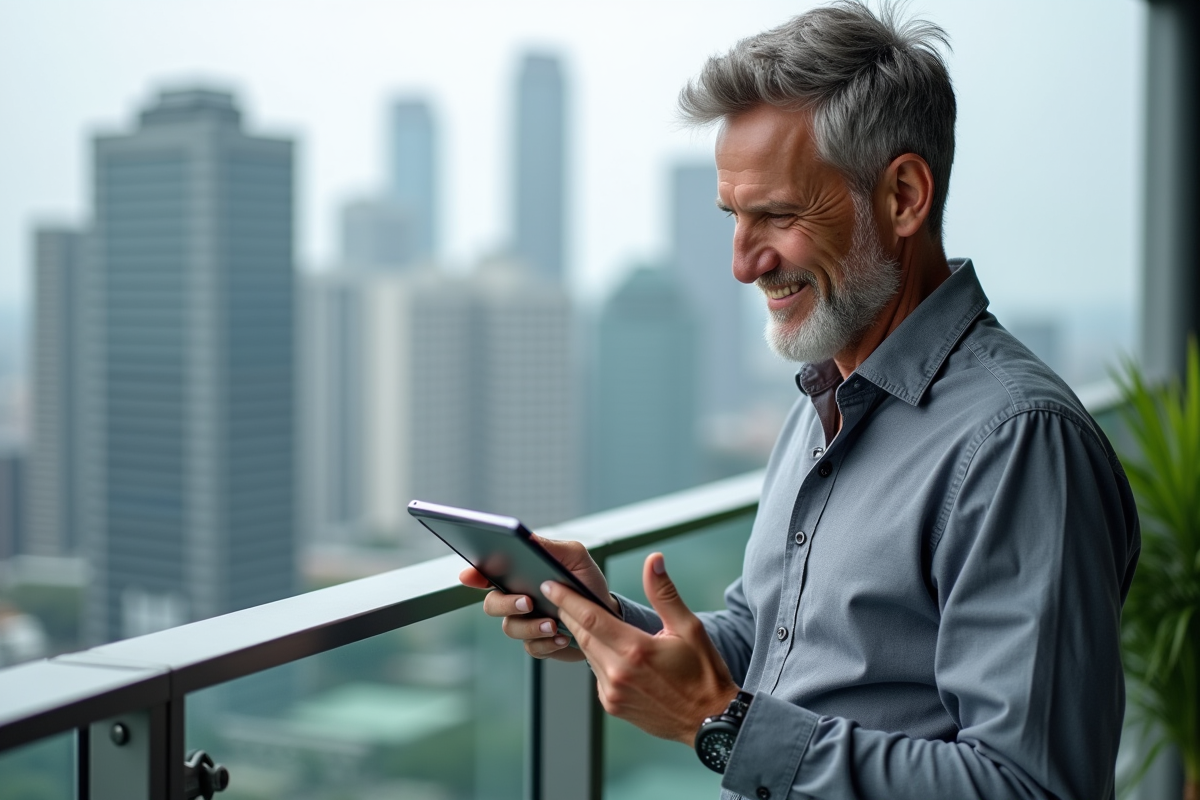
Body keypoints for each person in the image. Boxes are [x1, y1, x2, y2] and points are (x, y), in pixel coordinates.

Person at [460, 3, 1141, 798]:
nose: (744, 264)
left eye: (778, 215)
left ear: (904, 197)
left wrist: (718, 724)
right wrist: (613, 625)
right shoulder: (824, 396)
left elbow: (1030, 787)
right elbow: (770, 645)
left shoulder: (1017, 445)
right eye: (733, 218)